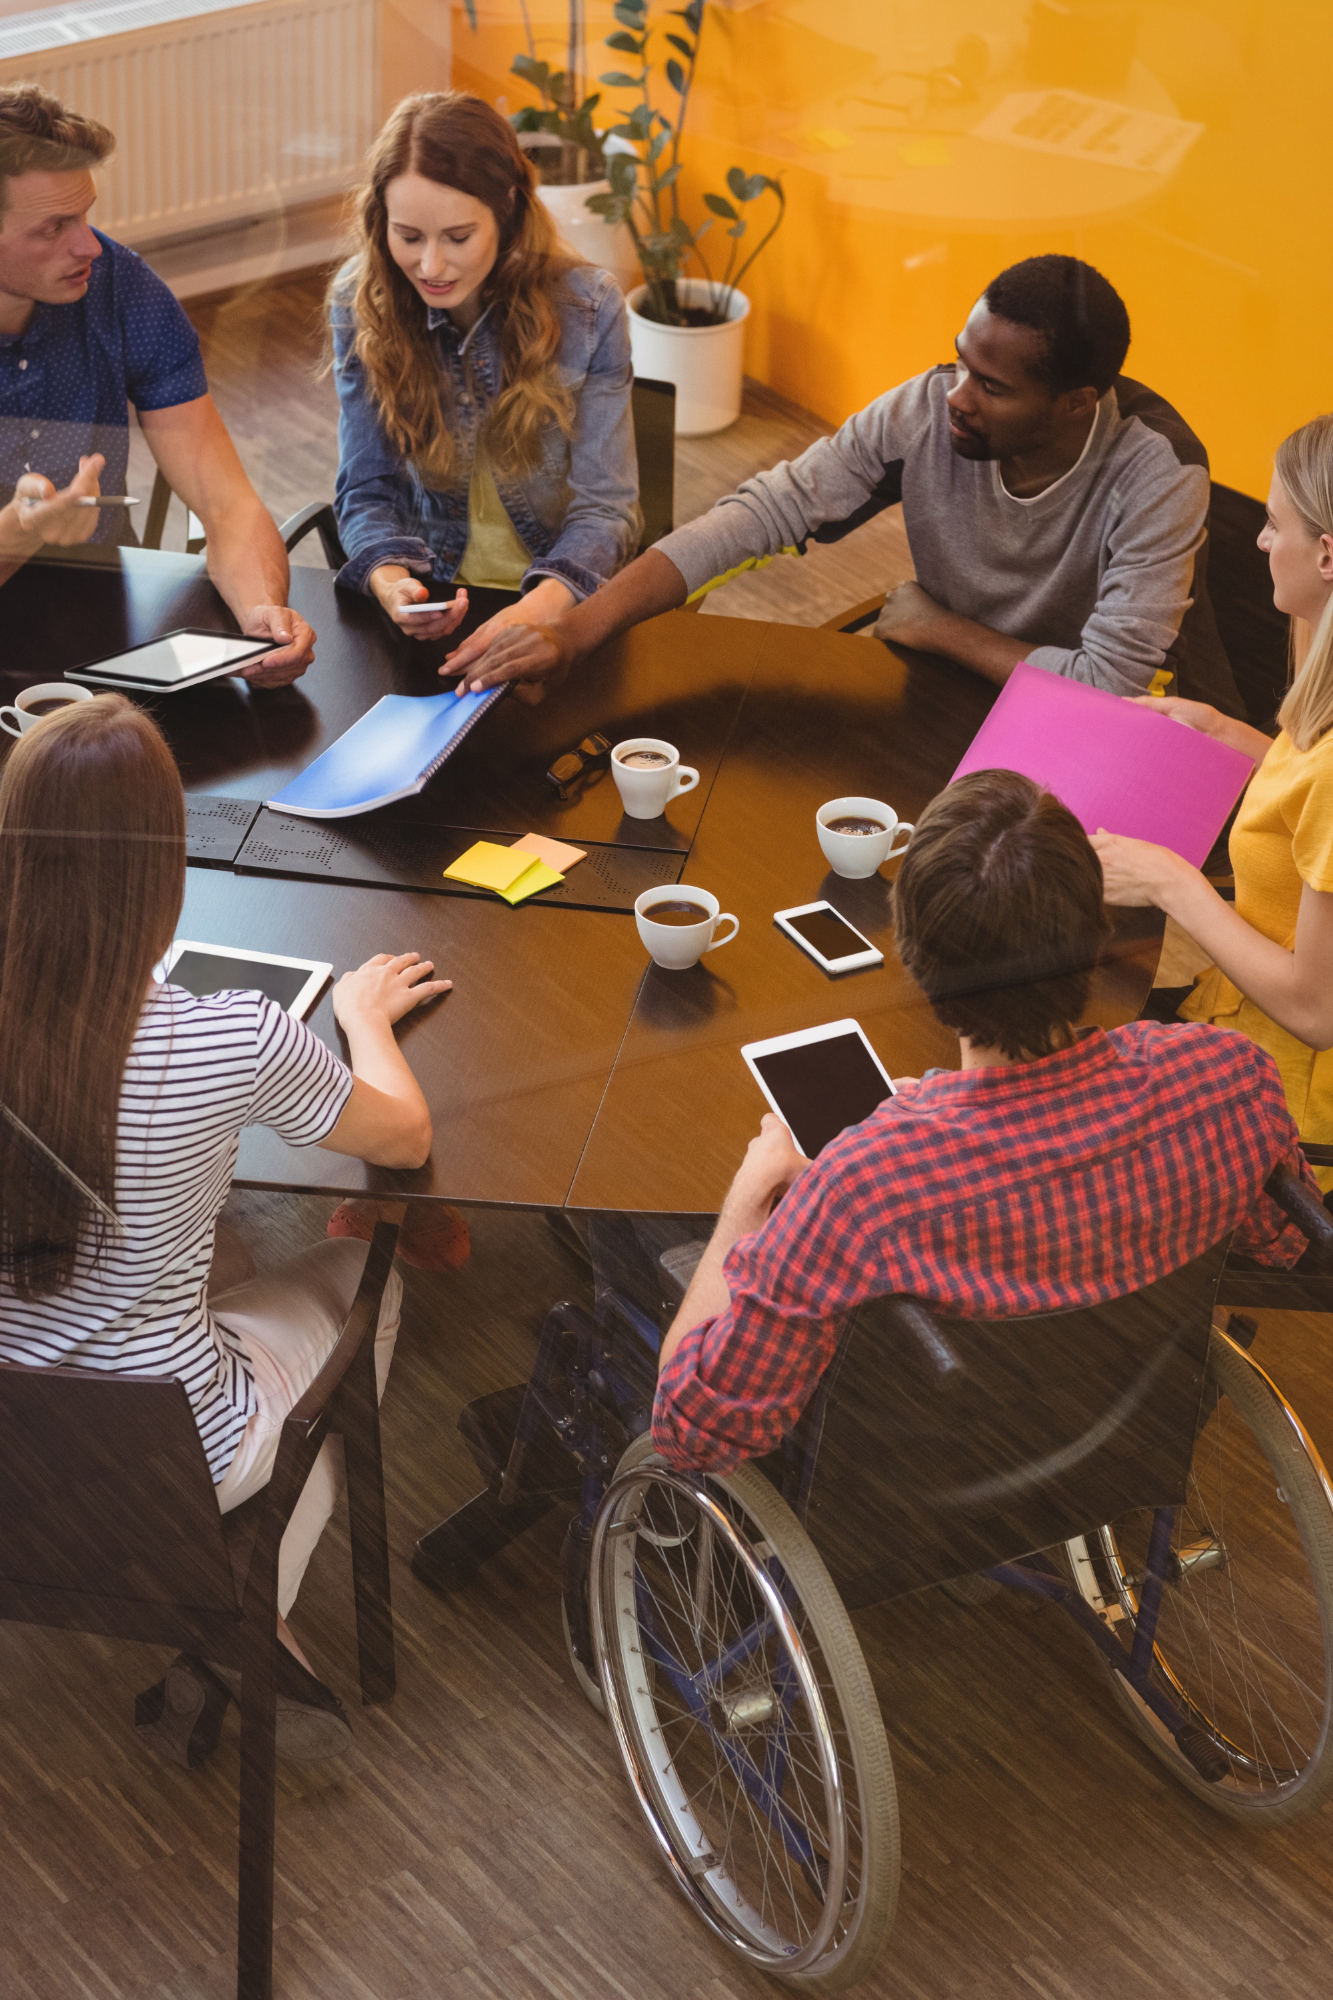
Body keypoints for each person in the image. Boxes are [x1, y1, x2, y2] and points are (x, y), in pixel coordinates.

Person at [0, 696, 447, 1759]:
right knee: (360, 1274)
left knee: (221, 1246)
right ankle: (242, 1617)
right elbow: (402, 1134)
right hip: (173, 1452)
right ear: (164, 868)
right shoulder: (226, 1038)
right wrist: (366, 1020)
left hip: (12, 1445)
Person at [650, 769, 1315, 1473]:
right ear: (1097, 931)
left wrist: (747, 1208)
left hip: (920, 1486)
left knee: (649, 1246)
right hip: (1118, 1443)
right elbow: (1277, 1248)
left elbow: (691, 1434)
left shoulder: (856, 1192)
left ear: (915, 958)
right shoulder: (1229, 1080)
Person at [448, 254, 1241, 717]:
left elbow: (1106, 689)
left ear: (1074, 405)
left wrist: (941, 630)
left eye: (992, 387)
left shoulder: (1155, 472)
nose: (956, 396)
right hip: (956, 696)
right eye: (960, 362)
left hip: (1118, 731)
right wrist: (576, 632)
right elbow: (762, 513)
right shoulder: (931, 409)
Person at [0, 82, 314, 686]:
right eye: (54, 226)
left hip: (95, 621)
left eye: (86, 215)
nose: (88, 243)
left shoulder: (118, 286)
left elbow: (227, 505)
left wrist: (260, 618)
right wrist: (20, 535)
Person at [1094, 413, 1333, 1190]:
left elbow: (1315, 1009)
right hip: (1233, 1029)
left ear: (1326, 553)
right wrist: (1222, 731)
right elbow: (1312, 818)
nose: (1261, 542)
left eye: (1272, 524)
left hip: (1285, 1120)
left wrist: (1172, 884)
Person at [329, 90, 638, 663]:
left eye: (459, 237)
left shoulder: (589, 309)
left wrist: (538, 610)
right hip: (434, 600)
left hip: (555, 607)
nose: (431, 266)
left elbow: (606, 509)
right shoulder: (359, 300)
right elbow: (366, 487)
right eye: (409, 236)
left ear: (509, 210)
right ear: (381, 222)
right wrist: (391, 582)